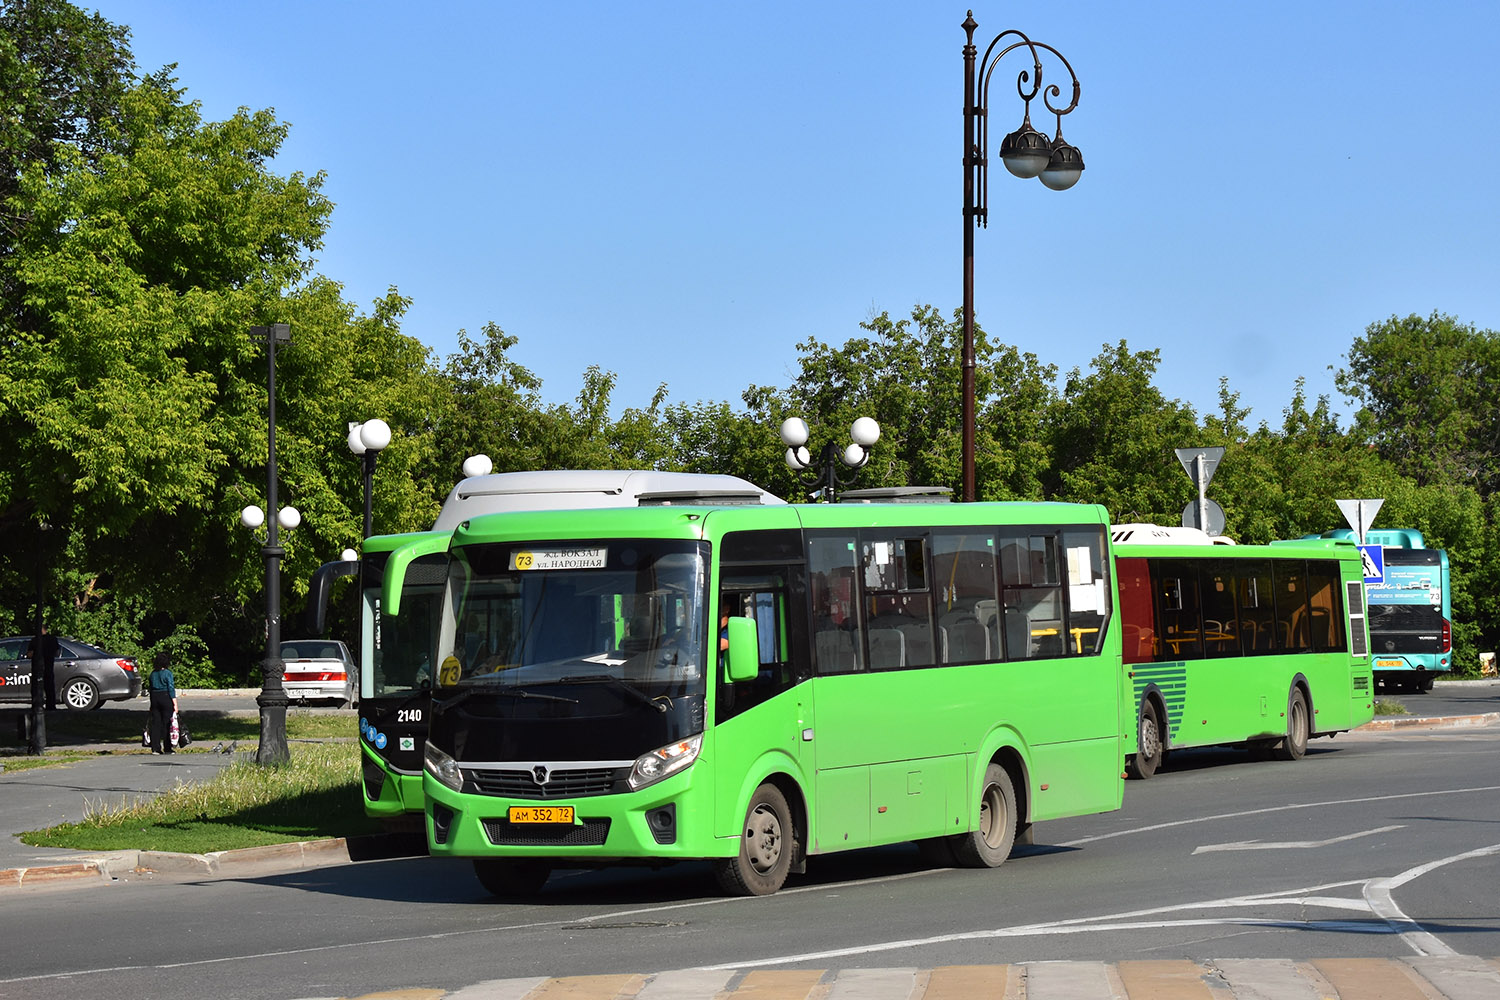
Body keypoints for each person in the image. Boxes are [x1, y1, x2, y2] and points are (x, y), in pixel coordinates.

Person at [147, 651, 178, 755]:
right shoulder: (168, 673)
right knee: (166, 723)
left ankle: (155, 748)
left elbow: (150, 689)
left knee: (156, 723)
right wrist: (175, 704)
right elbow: (171, 688)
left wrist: (151, 704)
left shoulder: (153, 674)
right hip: (165, 697)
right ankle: (167, 748)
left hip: (155, 698)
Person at [32, 626, 59, 711]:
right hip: (49, 667)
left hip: (37, 667)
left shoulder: (35, 640)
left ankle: (37, 706)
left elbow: (30, 654)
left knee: (36, 688)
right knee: (50, 687)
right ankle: (51, 706)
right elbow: (57, 652)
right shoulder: (53, 639)